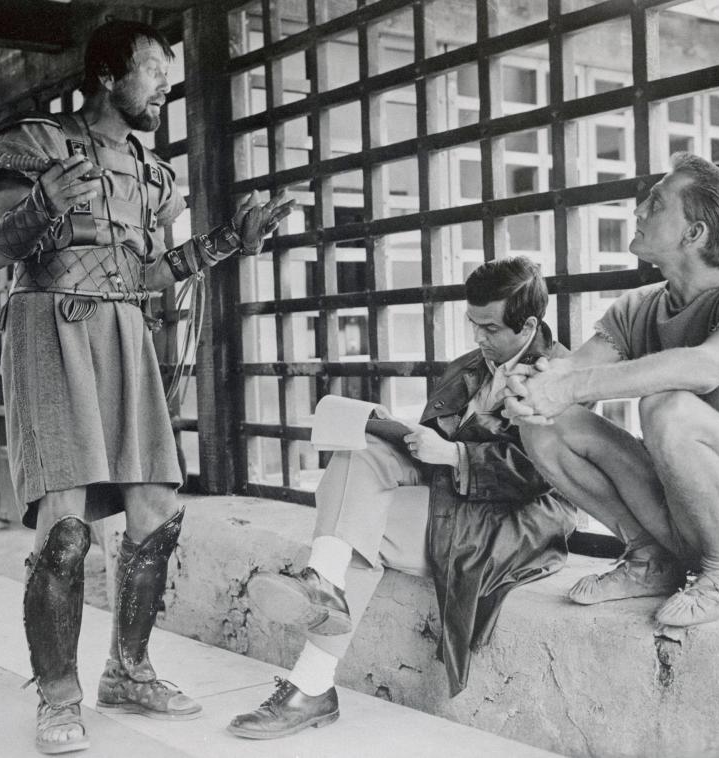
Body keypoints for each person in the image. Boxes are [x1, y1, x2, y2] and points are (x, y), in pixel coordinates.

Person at [0, 19, 292, 755]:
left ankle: (130, 668)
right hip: (50, 326)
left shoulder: (154, 176)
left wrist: (227, 243)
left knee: (157, 506)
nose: (165, 84)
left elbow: (149, 274)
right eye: (153, 69)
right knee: (64, 526)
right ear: (109, 75)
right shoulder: (38, 142)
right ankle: (58, 697)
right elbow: (0, 245)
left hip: (123, 333)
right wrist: (42, 205)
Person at [228, 256, 577, 739]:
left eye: (490, 328)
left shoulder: (563, 375)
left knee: (365, 529)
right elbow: (443, 436)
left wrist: (454, 455)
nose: (478, 338)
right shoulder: (475, 365)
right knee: (360, 450)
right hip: (456, 493)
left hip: (518, 517)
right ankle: (323, 584)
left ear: (530, 325)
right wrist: (404, 433)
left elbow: (540, 473)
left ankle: (311, 682)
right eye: (472, 324)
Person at [504, 153, 719, 628]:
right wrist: (533, 385)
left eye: (656, 204)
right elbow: (570, 372)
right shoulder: (638, 307)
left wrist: (568, 384)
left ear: (694, 234)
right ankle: (649, 558)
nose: (638, 212)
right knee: (546, 425)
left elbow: (706, 367)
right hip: (678, 503)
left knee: (669, 405)